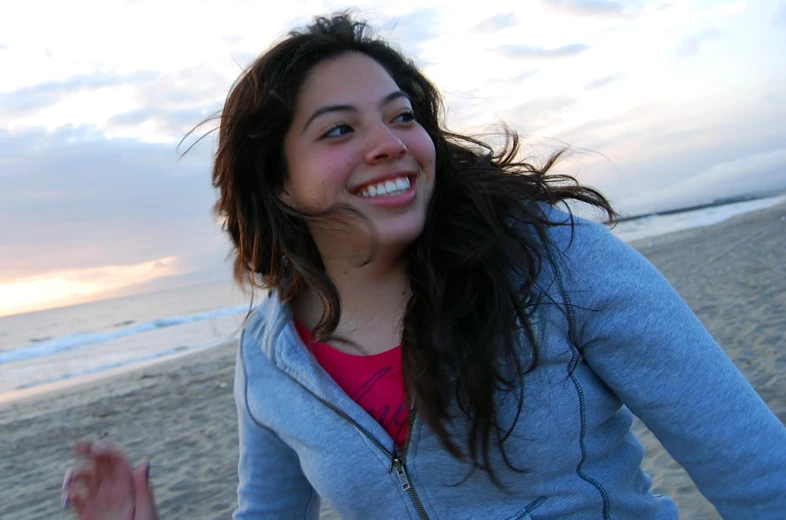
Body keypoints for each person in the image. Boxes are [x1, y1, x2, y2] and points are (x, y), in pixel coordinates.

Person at [62, 12, 786, 520]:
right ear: (278, 181)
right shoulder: (267, 359)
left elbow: (755, 471)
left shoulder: (558, 265)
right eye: (340, 129)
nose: (389, 143)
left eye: (401, 116)